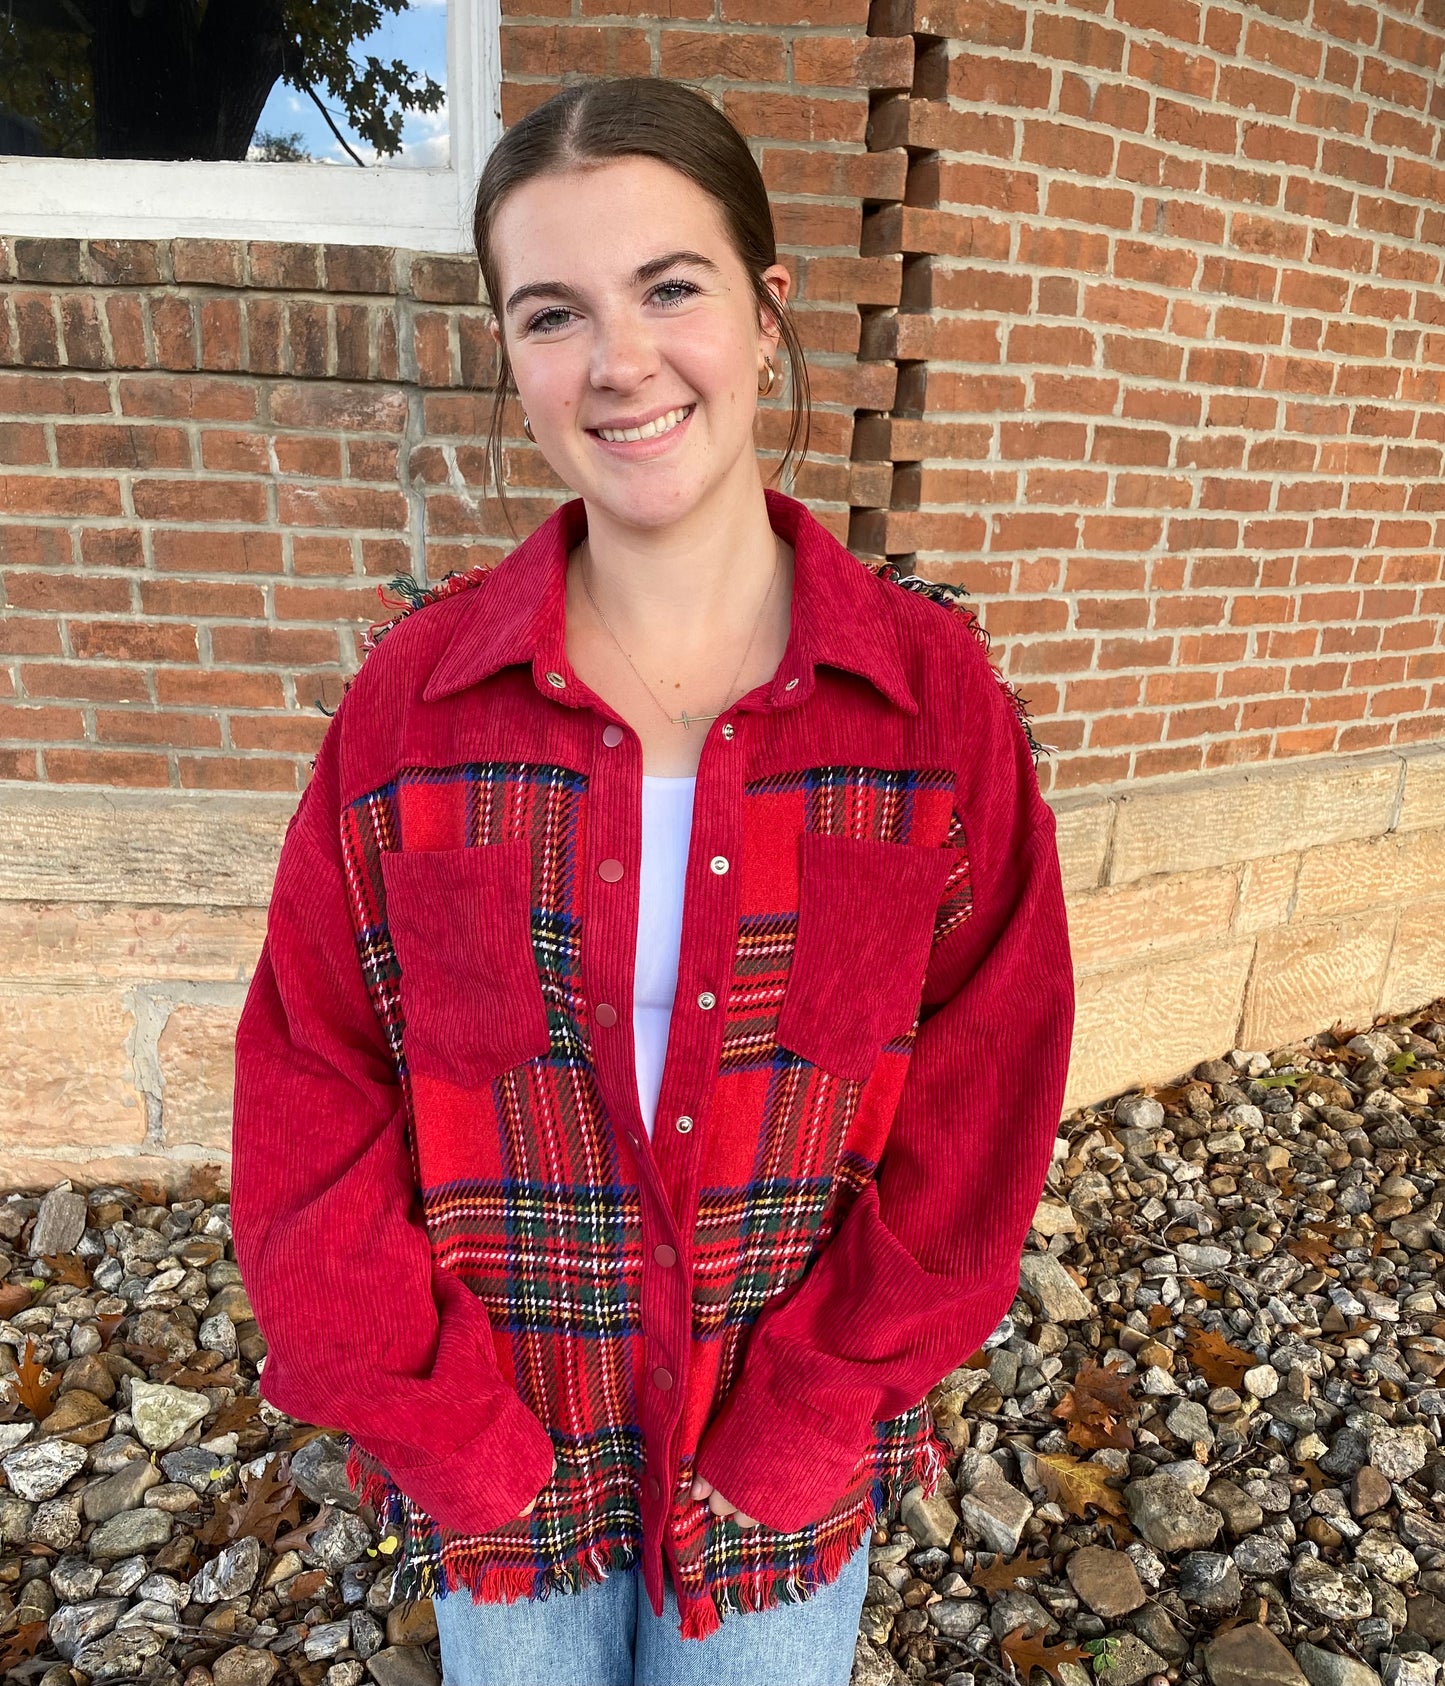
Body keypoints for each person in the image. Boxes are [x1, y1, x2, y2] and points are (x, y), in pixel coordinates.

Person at [230, 74, 1076, 1686]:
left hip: (777, 1469)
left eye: (667, 287)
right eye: (552, 313)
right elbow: (312, 1079)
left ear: (765, 313)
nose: (617, 361)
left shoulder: (928, 705)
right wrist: (446, 1424)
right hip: (504, 1462)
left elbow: (982, 1102)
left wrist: (819, 1408)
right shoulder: (410, 710)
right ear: (510, 357)